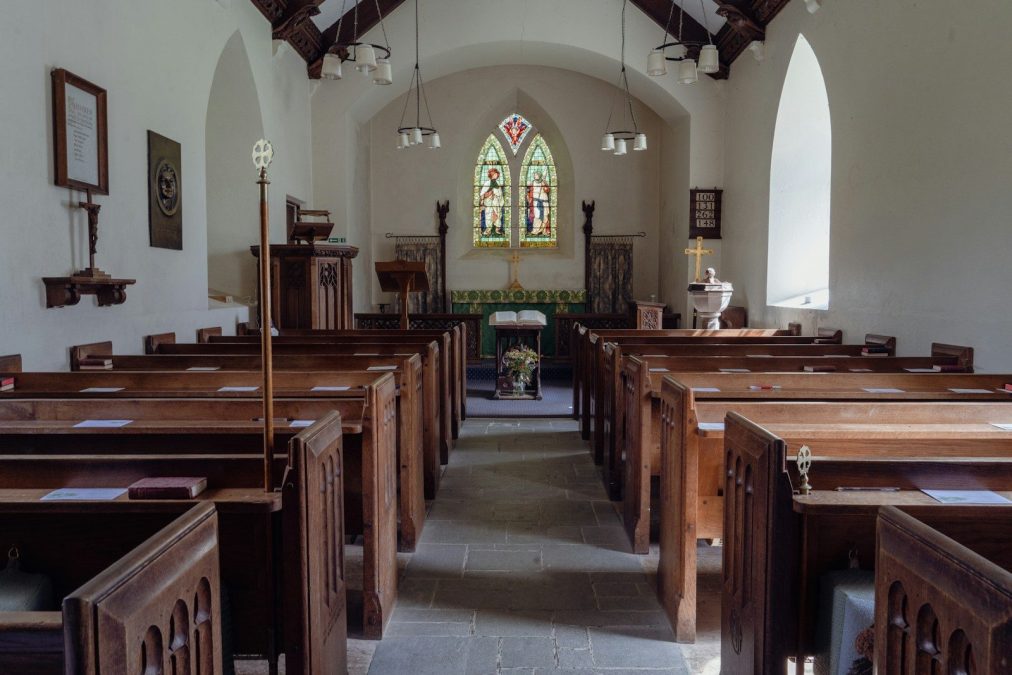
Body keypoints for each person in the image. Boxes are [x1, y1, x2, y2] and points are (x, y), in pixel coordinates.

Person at [480, 168, 505, 237]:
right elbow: (482, 194)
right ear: (491, 175)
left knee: (498, 215)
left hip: (496, 202)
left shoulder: (498, 183)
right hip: (489, 202)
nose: (496, 175)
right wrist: (490, 194)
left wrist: (497, 195)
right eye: (494, 174)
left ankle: (497, 229)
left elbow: (500, 194)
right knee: (488, 216)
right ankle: (488, 230)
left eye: (496, 174)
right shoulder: (487, 183)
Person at [526, 171, 551, 236]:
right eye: (534, 175)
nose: (535, 176)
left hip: (544, 201)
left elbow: (547, 190)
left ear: (539, 175)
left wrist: (545, 184)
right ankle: (535, 231)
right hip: (536, 201)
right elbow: (529, 191)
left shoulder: (543, 182)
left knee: (545, 216)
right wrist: (528, 197)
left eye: (536, 175)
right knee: (537, 216)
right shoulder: (532, 182)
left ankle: (544, 231)